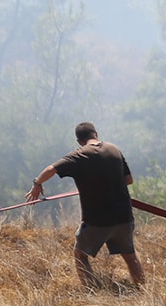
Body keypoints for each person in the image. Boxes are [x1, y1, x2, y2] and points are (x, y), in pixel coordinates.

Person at [26, 122, 145, 289]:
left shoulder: (78, 156)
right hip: (124, 217)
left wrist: (37, 183)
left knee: (80, 255)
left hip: (97, 221)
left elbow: (51, 169)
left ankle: (92, 293)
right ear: (95, 133)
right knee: (130, 256)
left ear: (79, 141)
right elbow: (129, 180)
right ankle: (142, 290)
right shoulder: (114, 149)